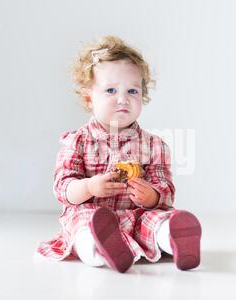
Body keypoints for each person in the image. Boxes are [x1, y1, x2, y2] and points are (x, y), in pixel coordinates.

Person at [36, 35, 202, 273]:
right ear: (88, 97)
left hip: (135, 217)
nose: (123, 99)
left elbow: (165, 188)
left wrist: (152, 196)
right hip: (93, 215)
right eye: (111, 90)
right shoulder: (78, 141)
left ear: (142, 95)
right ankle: (99, 248)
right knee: (83, 223)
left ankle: (173, 237)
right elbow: (63, 188)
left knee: (155, 219)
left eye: (132, 90)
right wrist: (90, 188)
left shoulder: (154, 145)